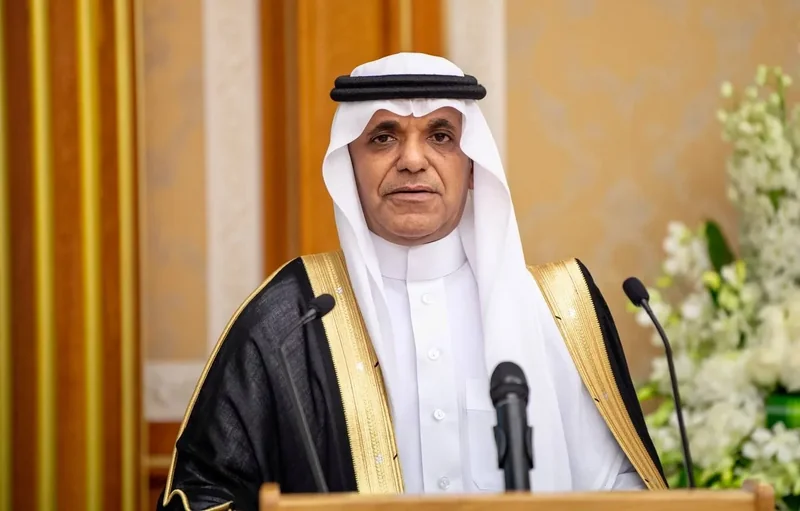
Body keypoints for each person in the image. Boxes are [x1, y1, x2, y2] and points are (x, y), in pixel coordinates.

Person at [157, 53, 666, 511]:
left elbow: (619, 489)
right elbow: (209, 491)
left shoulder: (560, 310)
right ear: (349, 165)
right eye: (384, 137)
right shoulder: (291, 319)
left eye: (440, 136)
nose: (413, 160)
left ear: (473, 165)